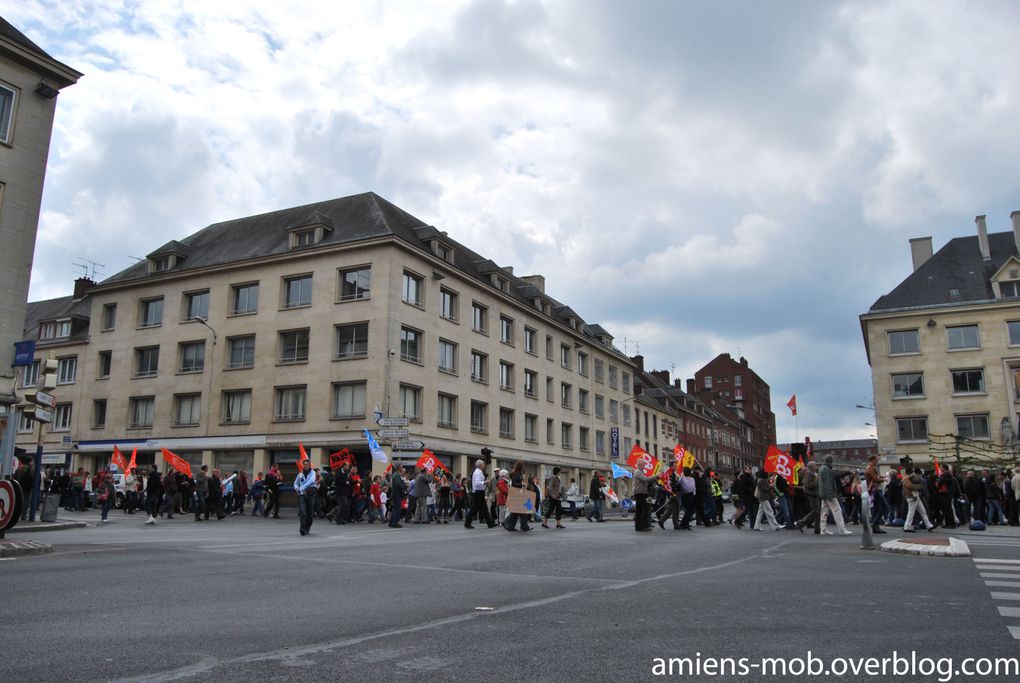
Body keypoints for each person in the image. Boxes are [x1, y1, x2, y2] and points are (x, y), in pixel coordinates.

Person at [819, 456, 852, 535]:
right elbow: (828, 483)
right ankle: (842, 529)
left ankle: (823, 529)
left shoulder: (821, 468)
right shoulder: (827, 470)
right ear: (830, 462)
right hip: (830, 494)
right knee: (837, 510)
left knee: (824, 511)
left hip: (823, 493)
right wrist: (831, 494)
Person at [501, 461, 532, 532]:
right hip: (517, 495)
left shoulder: (518, 474)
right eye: (523, 466)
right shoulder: (516, 474)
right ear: (520, 467)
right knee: (519, 511)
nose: (524, 467)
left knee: (518, 511)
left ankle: (512, 526)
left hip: (518, 494)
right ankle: (522, 526)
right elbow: (514, 484)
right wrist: (522, 484)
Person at [465, 459, 496, 529]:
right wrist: (485, 482)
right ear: (480, 465)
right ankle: (467, 522)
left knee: (484, 508)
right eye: (483, 464)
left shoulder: (479, 472)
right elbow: (477, 483)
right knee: (474, 508)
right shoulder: (477, 473)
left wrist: (484, 482)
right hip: (478, 492)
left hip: (480, 492)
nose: (484, 465)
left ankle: (490, 523)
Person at [902, 467, 935, 532]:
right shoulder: (906, 479)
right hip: (912, 496)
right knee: (912, 512)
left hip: (914, 496)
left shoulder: (907, 478)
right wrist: (919, 487)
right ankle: (907, 526)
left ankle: (928, 525)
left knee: (922, 511)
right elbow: (910, 486)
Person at [793, 462, 821, 534]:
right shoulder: (808, 474)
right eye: (815, 465)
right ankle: (801, 523)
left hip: (816, 494)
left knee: (818, 512)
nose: (816, 466)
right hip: (812, 495)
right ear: (811, 467)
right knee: (815, 511)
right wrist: (817, 481)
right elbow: (807, 484)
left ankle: (817, 528)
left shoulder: (814, 473)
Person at [864, 455, 888, 534]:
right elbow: (875, 479)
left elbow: (875, 477)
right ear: (872, 460)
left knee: (876, 508)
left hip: (872, 490)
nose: (877, 461)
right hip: (875, 490)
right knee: (885, 507)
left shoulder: (870, 468)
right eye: (876, 460)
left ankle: (876, 527)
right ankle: (874, 523)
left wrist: (882, 477)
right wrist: (884, 479)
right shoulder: (870, 468)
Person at [295, 459, 317, 535]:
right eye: (304, 464)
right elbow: (296, 483)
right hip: (302, 494)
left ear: (309, 465)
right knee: (303, 512)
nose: (305, 466)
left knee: (310, 513)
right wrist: (297, 488)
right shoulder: (300, 474)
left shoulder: (313, 473)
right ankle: (302, 528)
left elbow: (311, 481)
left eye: (306, 464)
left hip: (310, 494)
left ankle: (307, 528)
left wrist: (302, 487)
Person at [632, 467, 656, 532]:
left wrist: (654, 478)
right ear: (640, 465)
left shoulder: (642, 472)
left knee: (646, 509)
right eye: (643, 464)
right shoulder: (638, 472)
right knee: (643, 510)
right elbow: (644, 479)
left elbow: (647, 482)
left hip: (646, 494)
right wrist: (655, 476)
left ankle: (645, 524)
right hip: (641, 493)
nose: (645, 466)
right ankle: (642, 526)